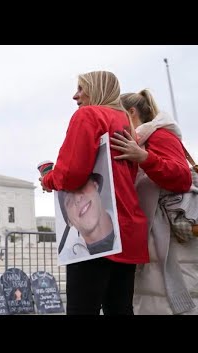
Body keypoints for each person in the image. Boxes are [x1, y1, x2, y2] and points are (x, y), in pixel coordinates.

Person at [40, 71, 148, 315]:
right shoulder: (124, 121)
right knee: (120, 308)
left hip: (95, 235)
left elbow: (72, 174)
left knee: (82, 309)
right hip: (127, 227)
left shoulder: (89, 115)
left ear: (97, 89)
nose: (75, 96)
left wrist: (49, 179)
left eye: (81, 88)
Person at [111, 89, 196, 315]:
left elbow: (182, 177)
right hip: (154, 235)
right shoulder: (138, 139)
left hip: (169, 234)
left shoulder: (159, 136)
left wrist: (144, 158)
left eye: (117, 113)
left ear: (131, 112)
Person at [58, 173, 115, 256]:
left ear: (96, 186)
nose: (77, 198)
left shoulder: (130, 224)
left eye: (81, 185)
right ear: (69, 221)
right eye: (69, 200)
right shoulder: (67, 258)